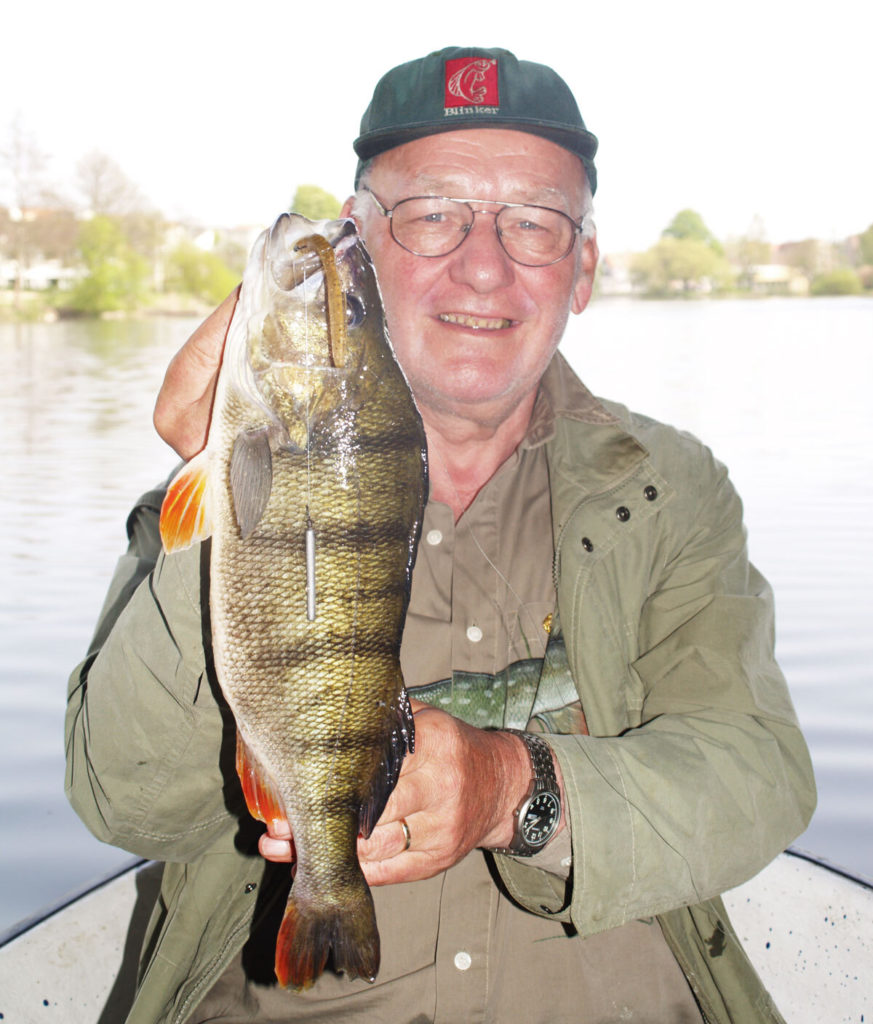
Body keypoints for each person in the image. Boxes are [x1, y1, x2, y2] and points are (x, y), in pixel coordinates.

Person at [65, 46, 815, 1024]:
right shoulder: (231, 478)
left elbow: (759, 772)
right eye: (433, 214)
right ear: (360, 246)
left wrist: (512, 786)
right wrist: (215, 498)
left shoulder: (670, 491)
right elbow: (124, 802)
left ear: (582, 269)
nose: (484, 262)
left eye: (535, 223)